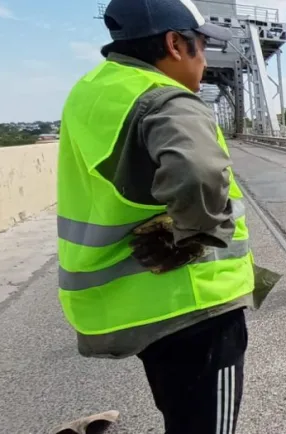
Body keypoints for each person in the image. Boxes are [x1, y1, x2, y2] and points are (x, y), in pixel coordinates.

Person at [55, 0, 258, 433]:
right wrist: (196, 235)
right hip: (195, 304)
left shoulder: (91, 91)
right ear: (174, 44)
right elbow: (199, 171)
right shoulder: (165, 98)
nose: (206, 60)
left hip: (137, 306)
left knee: (181, 414)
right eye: (201, 45)